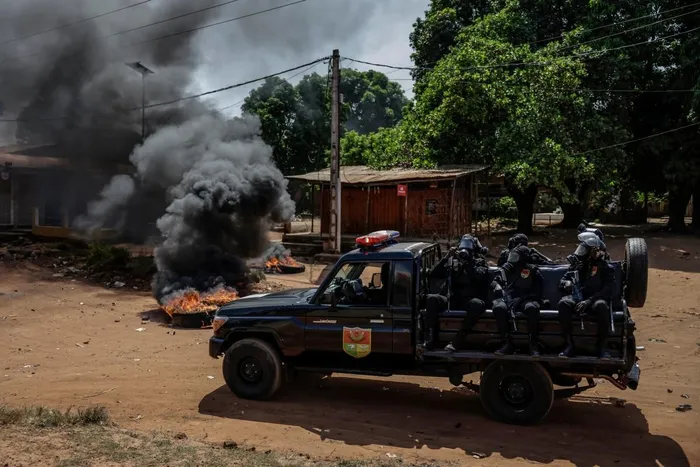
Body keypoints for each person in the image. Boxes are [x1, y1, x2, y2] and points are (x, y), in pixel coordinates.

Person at [423, 235, 490, 350]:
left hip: (468, 300)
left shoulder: (480, 262)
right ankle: (431, 338)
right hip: (452, 298)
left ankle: (457, 341)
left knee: (477, 304)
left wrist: (468, 262)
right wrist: (447, 257)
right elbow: (434, 274)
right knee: (431, 299)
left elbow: (478, 276)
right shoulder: (453, 261)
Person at [557, 235, 614, 359]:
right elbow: (562, 281)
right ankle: (569, 345)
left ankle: (602, 347)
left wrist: (589, 301)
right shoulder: (578, 265)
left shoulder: (604, 267)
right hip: (578, 297)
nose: (581, 252)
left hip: (595, 298)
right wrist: (567, 284)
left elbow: (608, 289)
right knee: (563, 304)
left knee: (601, 306)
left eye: (585, 249)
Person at [492, 244, 544, 357]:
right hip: (509, 298)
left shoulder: (532, 270)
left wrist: (521, 298)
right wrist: (496, 285)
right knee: (498, 308)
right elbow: (495, 281)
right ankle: (506, 343)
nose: (512, 259)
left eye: (515, 256)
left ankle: (533, 344)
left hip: (526, 298)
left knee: (532, 308)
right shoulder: (507, 269)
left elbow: (537, 293)